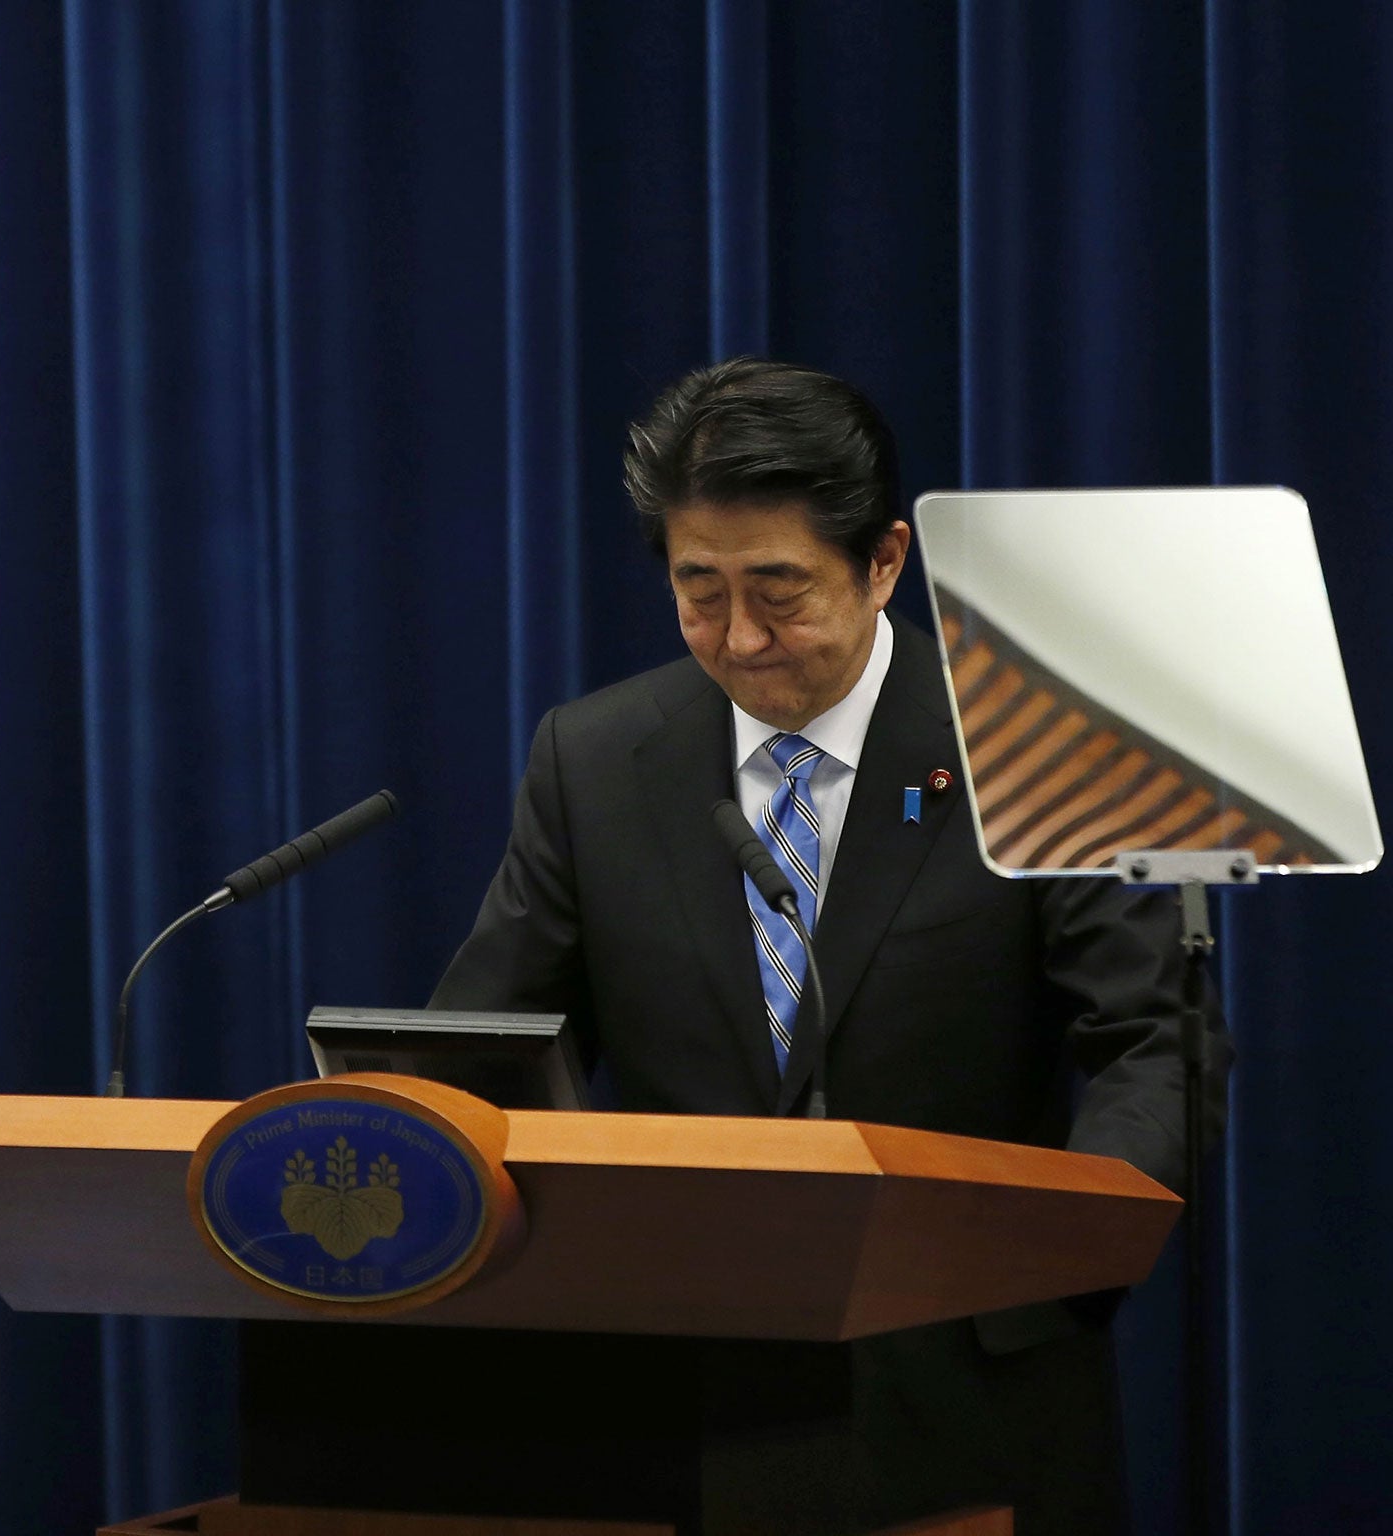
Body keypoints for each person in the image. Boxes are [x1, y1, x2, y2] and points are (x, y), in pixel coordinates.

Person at [430, 356, 1230, 1535]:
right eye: (698, 589)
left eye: (779, 590)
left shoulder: (1041, 741)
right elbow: (483, 1050)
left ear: (884, 563)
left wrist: (1065, 1254)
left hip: (970, 1381)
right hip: (679, 1397)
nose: (739, 637)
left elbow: (1150, 1043)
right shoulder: (596, 760)